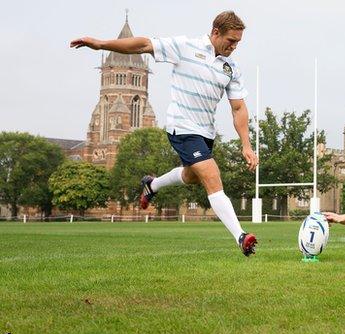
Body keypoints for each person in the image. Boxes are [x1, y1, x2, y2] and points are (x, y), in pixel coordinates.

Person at [70, 11, 258, 256]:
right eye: (231, 40)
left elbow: (238, 108)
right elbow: (145, 44)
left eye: (238, 42)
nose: (234, 46)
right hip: (181, 127)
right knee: (212, 175)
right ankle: (241, 237)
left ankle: (152, 185)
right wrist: (101, 44)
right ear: (215, 32)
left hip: (205, 132)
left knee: (192, 176)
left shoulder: (230, 67)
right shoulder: (185, 47)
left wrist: (246, 145)